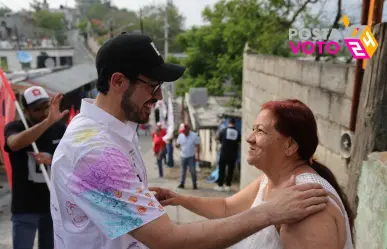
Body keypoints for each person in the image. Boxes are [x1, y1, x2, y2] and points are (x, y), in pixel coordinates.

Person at [50, 33, 328, 249]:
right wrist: (270, 213)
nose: (159, 97)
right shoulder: (95, 150)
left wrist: (142, 198)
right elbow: (169, 240)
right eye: (153, 85)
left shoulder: (116, 130)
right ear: (118, 81)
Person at [151, 99, 354, 249]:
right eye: (253, 129)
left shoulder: (305, 200)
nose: (249, 138)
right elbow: (227, 208)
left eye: (261, 131)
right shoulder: (270, 180)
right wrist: (179, 198)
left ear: (290, 145)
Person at [4, 86, 68, 249]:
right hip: (25, 207)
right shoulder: (15, 127)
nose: (44, 112)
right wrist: (47, 123)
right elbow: (14, 143)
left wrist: (52, 159)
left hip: (52, 205)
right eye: (37, 109)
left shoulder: (60, 129)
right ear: (26, 111)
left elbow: (72, 163)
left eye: (46, 106)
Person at [214, 118, 241, 192]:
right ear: (234, 123)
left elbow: (219, 140)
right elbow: (238, 143)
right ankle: (228, 186)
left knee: (221, 169)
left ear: (228, 123)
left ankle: (220, 185)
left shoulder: (223, 131)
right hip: (233, 155)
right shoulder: (238, 132)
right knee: (230, 170)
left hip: (224, 154)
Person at [176, 123, 200, 189]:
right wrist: (177, 145)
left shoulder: (194, 135)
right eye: (182, 131)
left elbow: (198, 146)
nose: (183, 132)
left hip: (191, 156)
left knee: (193, 171)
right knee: (182, 171)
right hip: (183, 156)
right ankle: (182, 183)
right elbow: (177, 144)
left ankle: (194, 184)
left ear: (188, 129)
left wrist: (198, 156)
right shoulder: (181, 135)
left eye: (184, 131)